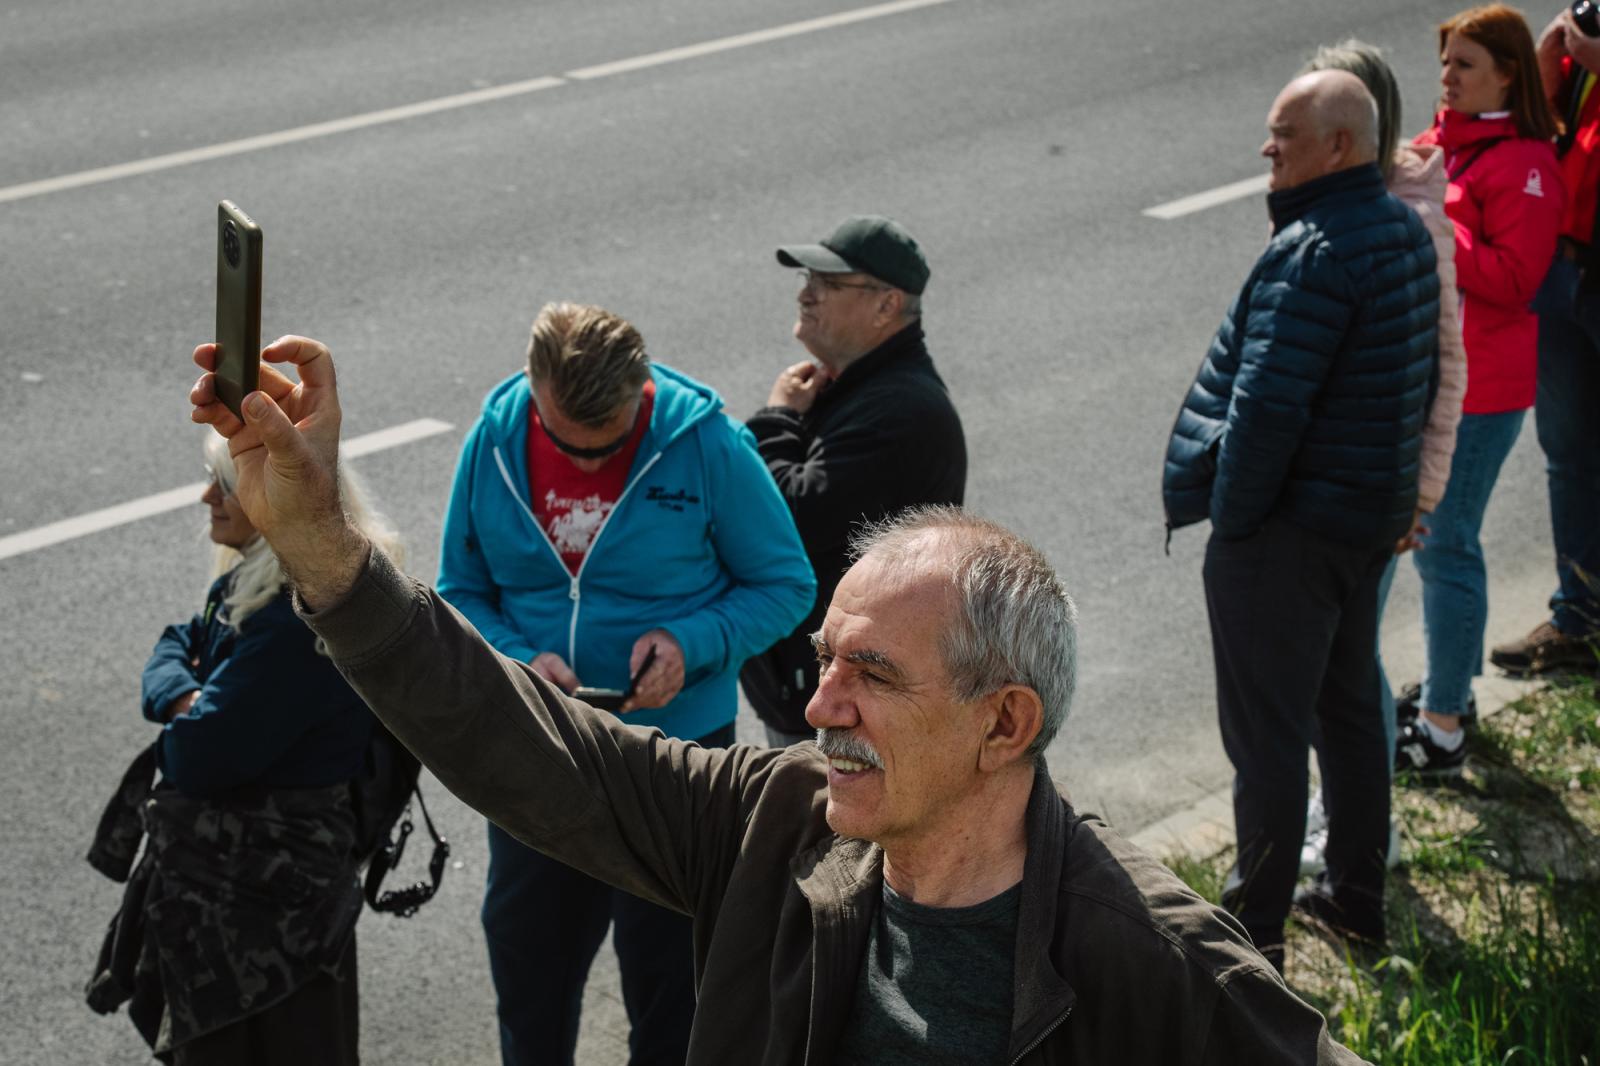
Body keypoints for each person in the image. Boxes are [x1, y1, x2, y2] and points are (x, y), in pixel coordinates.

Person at [189, 338, 1371, 1064]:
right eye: (826, 662)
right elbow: (527, 746)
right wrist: (323, 544)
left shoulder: (1157, 965)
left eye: (874, 675)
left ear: (1004, 723)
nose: (819, 708)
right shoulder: (773, 822)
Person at [435, 303, 815, 1065]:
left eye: (608, 446)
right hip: (542, 748)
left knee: (672, 992)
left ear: (640, 392)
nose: (585, 466)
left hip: (675, 758)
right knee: (531, 977)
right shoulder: (495, 441)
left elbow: (786, 584)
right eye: (562, 445)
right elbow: (460, 590)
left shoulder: (704, 442)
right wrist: (519, 659)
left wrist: (690, 644)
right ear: (534, 390)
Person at [1162, 70, 1440, 964]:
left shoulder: (1312, 251)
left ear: (1339, 146)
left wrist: (1235, 525)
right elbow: (1417, 378)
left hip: (1288, 536)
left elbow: (1266, 412)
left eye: (1283, 135)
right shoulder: (1401, 228)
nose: (1266, 148)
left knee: (1268, 742)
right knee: (1349, 710)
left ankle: (1256, 943)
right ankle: (1355, 899)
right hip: (1362, 526)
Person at [86, 434, 402, 1065]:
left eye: (225, 486)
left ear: (277, 500)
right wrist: (189, 697)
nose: (208, 497)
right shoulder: (259, 586)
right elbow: (177, 640)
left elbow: (197, 756)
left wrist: (188, 706)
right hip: (254, 910)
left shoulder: (293, 622)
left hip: (265, 931)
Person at [1295, 40, 1468, 872]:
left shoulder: (1410, 221)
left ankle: (1368, 833)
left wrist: (1419, 497)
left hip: (1370, 495)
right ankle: (1349, 817)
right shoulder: (1335, 203)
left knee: (1347, 669)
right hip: (1336, 489)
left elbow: (1446, 367)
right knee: (1335, 665)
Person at [1394, 4, 1565, 775]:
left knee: (1446, 546)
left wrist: (1440, 227)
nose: (1447, 76)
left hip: (1485, 391)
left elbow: (1519, 279)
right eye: (1444, 61)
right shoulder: (1447, 145)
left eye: (1464, 63)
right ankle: (1448, 692)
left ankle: (1444, 729)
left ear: (1506, 74)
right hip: (1441, 382)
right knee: (1435, 545)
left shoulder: (1525, 163)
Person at [741, 215, 966, 746]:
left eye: (827, 283)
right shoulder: (853, 389)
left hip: (849, 705)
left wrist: (776, 420)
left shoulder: (901, 410)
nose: (806, 295)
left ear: (886, 305)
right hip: (826, 689)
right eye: (807, 280)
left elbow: (782, 516)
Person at [1491, 2, 1600, 674]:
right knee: (1569, 453)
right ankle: (1579, 623)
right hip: (1566, 267)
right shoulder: (1585, 28)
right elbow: (1528, 135)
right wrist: (1536, 79)